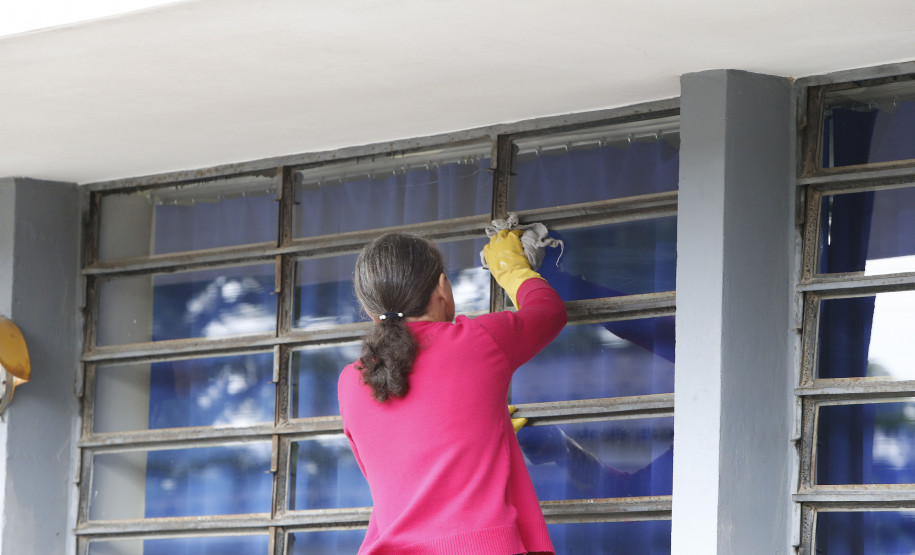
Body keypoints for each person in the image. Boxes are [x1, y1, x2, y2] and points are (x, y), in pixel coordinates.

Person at [338, 230, 567, 554]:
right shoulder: (478, 341)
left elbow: (400, 476)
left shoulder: (351, 381)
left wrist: (484, 435)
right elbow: (548, 312)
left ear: (372, 313)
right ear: (443, 288)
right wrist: (513, 269)